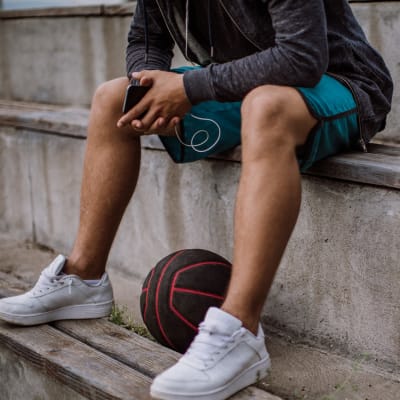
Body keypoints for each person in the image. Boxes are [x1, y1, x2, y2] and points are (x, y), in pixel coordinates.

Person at [0, 1, 393, 399]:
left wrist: (189, 88)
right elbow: (146, 39)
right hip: (245, 85)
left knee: (266, 106)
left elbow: (302, 57)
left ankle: (240, 330)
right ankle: (82, 278)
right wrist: (148, 86)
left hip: (339, 83)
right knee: (112, 98)